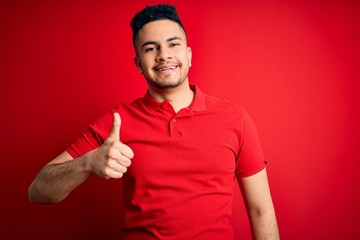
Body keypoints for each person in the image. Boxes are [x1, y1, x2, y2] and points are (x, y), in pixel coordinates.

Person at [28, 4, 280, 240]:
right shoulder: (117, 121)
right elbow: (38, 191)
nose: (164, 56)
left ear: (189, 54)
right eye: (151, 48)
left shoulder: (235, 119)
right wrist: (88, 162)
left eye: (173, 44)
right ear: (139, 64)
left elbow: (261, 211)